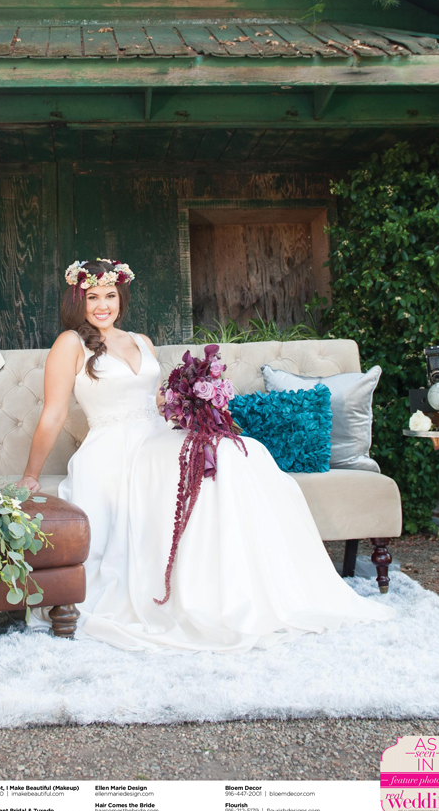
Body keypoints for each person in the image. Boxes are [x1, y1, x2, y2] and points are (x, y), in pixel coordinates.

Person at [21, 258, 394, 652]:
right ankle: (205, 596)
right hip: (114, 452)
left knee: (242, 451)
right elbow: (54, 414)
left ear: (121, 297)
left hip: (158, 436)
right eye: (93, 297)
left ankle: (247, 589)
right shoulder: (70, 344)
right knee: (215, 458)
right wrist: (31, 474)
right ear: (78, 301)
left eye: (110, 296)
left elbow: (156, 401)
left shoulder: (141, 341)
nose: (102, 305)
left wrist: (192, 403)